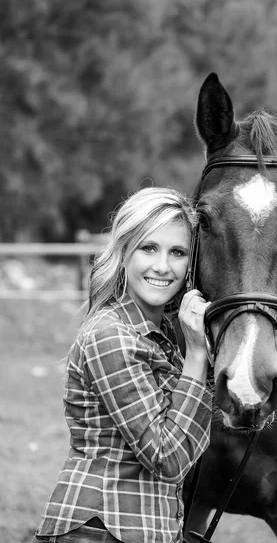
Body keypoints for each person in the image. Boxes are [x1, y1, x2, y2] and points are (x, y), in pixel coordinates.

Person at [32, 187, 212, 543]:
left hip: (144, 530)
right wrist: (196, 356)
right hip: (99, 530)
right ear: (125, 251)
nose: (163, 266)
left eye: (177, 252)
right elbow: (168, 458)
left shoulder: (159, 335)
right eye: (149, 248)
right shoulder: (112, 336)